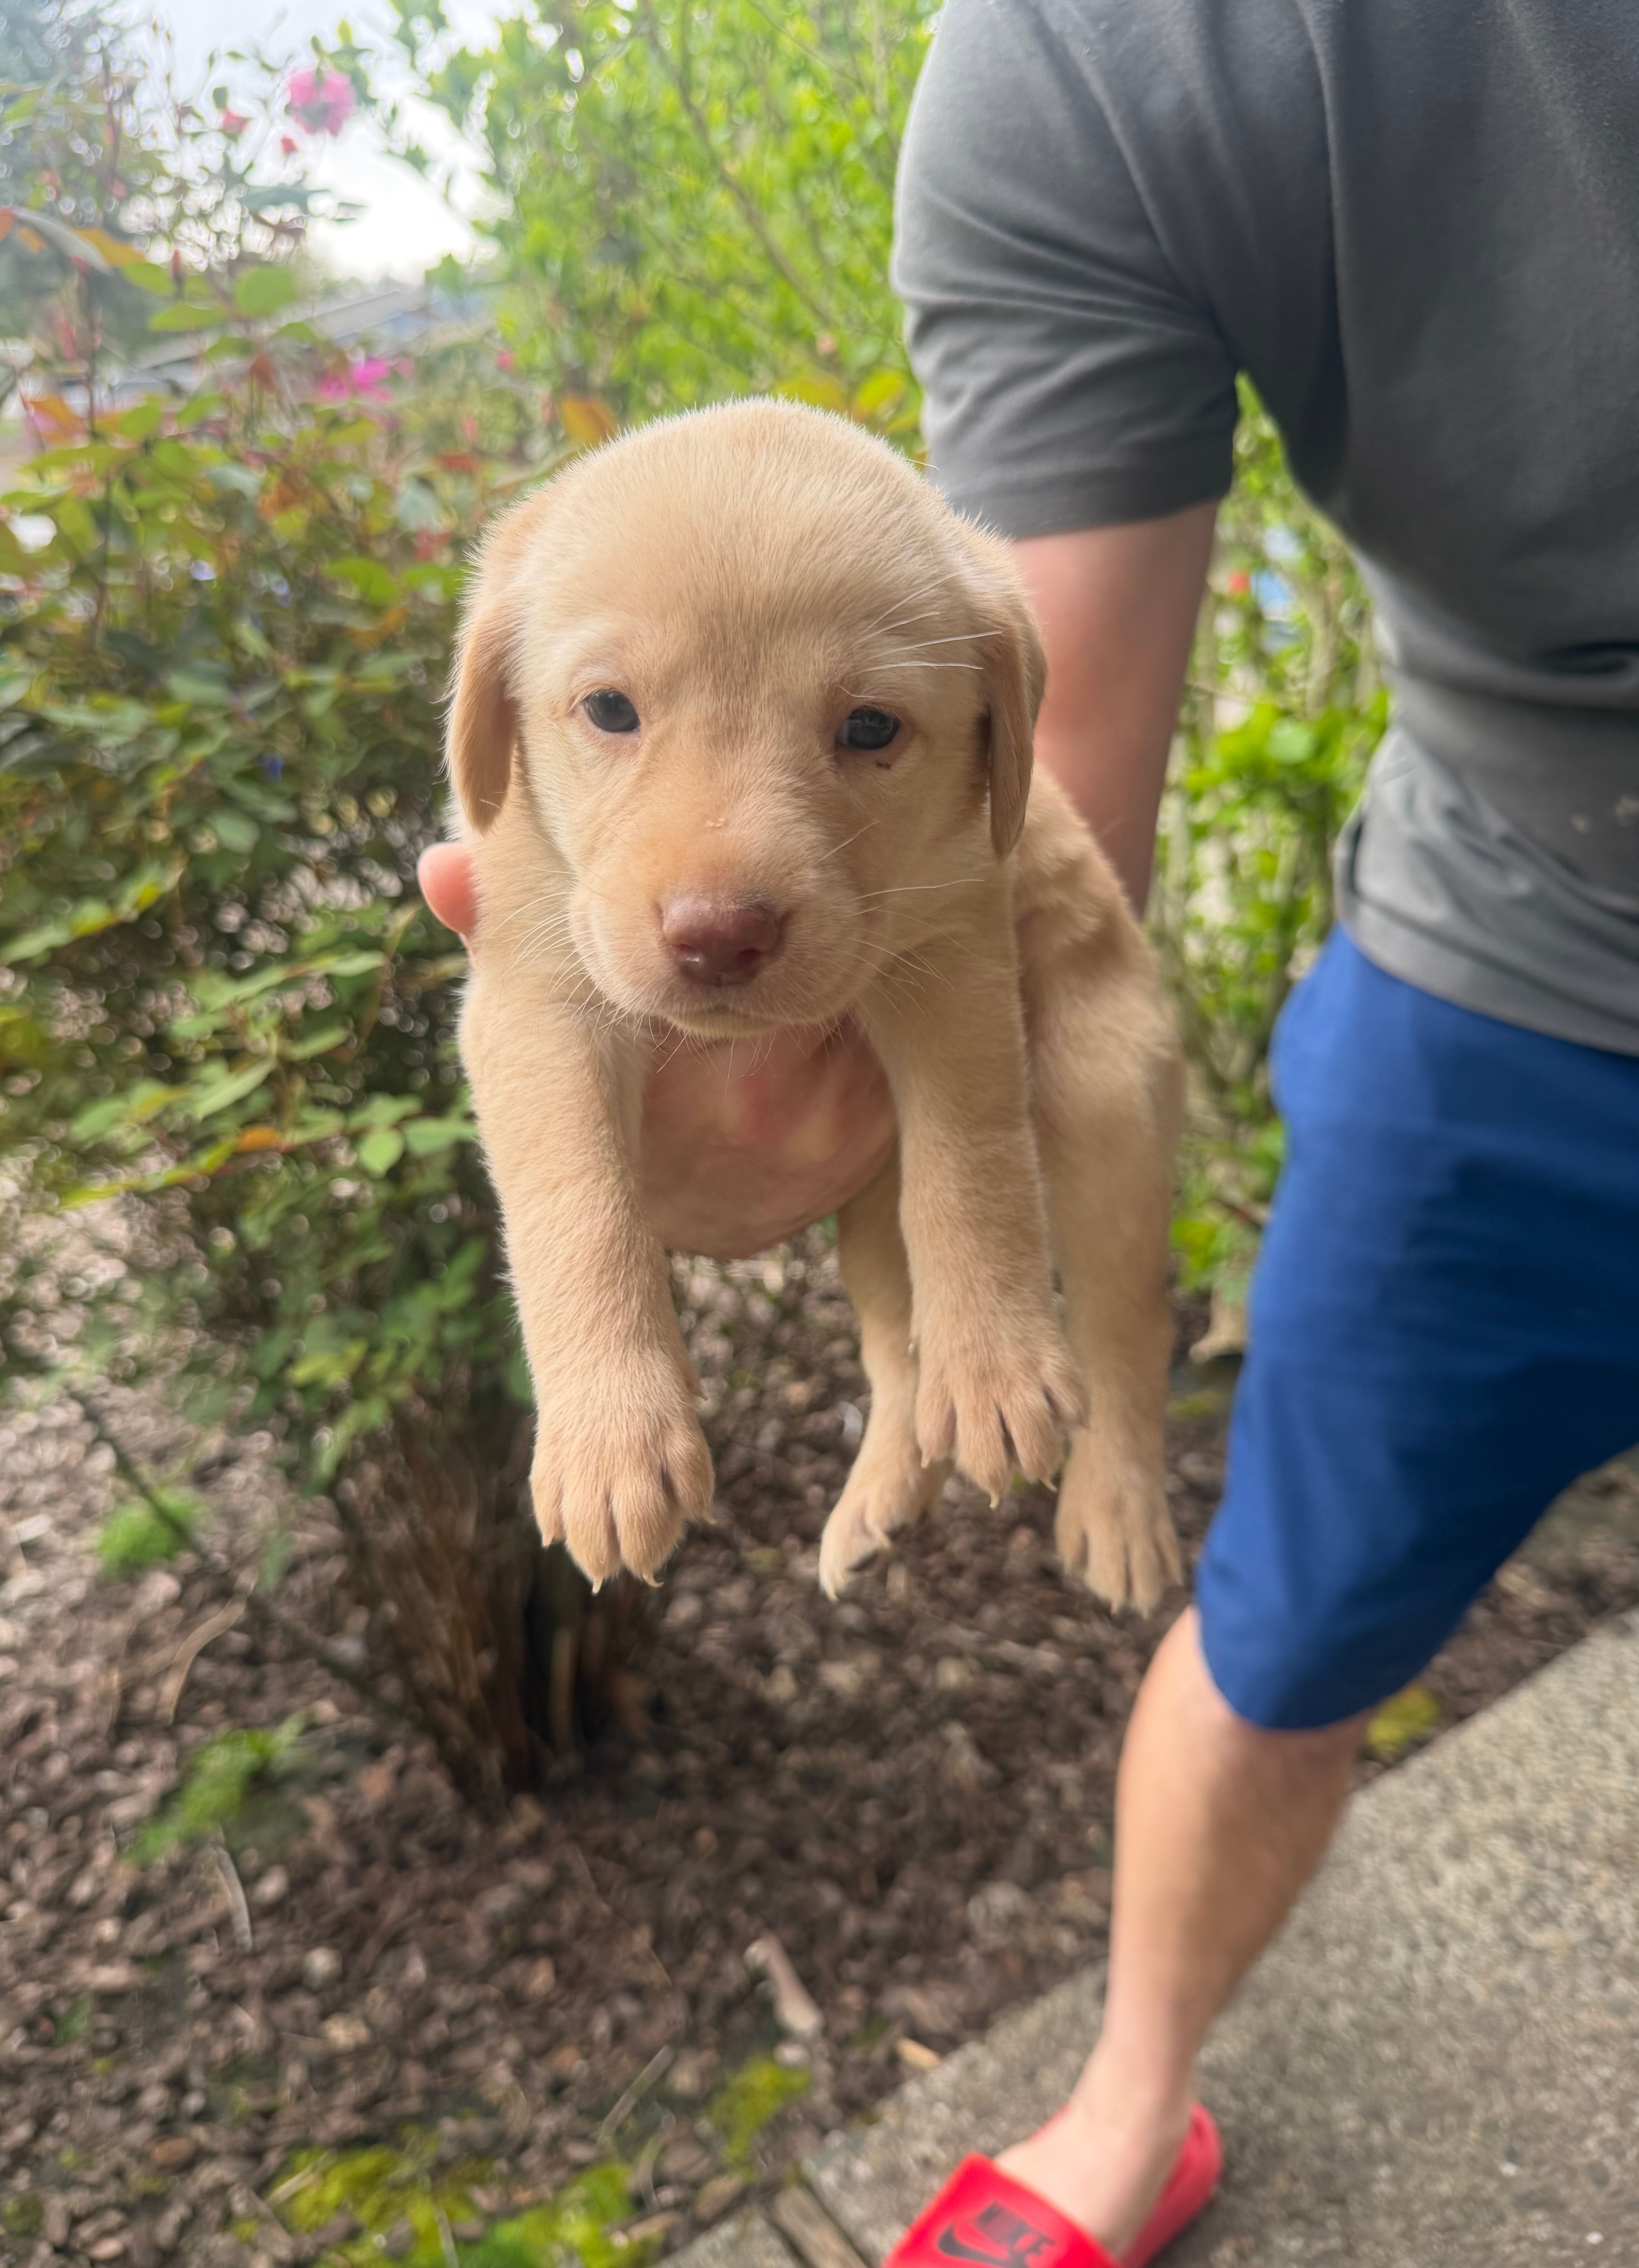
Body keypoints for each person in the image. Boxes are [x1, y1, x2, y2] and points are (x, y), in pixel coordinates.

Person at [422, 0, 1639, 2253]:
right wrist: (683, 1269)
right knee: (1282, 1613)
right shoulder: (1110, 51)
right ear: (500, 708)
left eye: (857, 730)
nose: (712, 861)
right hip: (1519, 984)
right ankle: (1132, 2085)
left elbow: (976, 856)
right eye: (605, 713)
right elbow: (1033, 818)